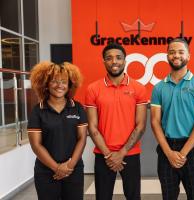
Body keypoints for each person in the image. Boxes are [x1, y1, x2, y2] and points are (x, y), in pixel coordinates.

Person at [85, 43, 148, 200]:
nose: (114, 61)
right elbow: (92, 128)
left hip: (130, 153)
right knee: (103, 197)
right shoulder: (93, 89)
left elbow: (140, 126)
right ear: (104, 61)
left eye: (119, 58)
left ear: (125, 61)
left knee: (133, 197)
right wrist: (109, 154)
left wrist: (122, 153)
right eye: (109, 58)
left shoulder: (138, 88)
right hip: (103, 154)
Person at [150, 38, 194, 200]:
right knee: (168, 196)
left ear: (188, 56)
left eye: (180, 52)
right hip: (166, 147)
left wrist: (182, 153)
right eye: (172, 52)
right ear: (167, 56)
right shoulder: (158, 88)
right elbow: (155, 121)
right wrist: (169, 153)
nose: (176, 55)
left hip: (192, 148)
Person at [27, 61, 88, 200]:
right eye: (54, 81)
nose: (59, 85)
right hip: (46, 171)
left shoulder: (77, 107)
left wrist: (69, 166)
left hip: (73, 169)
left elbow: (82, 139)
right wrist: (56, 168)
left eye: (64, 81)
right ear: (46, 85)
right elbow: (36, 145)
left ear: (69, 85)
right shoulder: (38, 111)